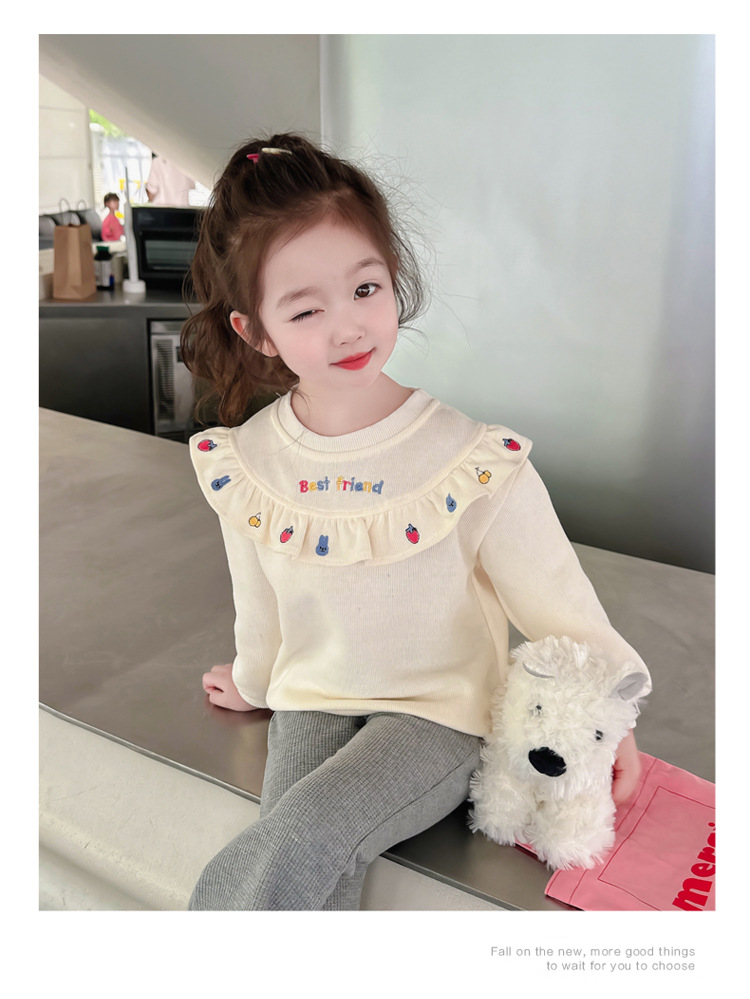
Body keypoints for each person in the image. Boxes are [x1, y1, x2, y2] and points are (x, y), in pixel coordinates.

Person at [180, 133, 650, 911]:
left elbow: (557, 597)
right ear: (255, 330)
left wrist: (610, 718)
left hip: (437, 713)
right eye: (306, 309)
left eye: (365, 289)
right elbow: (258, 604)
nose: (348, 326)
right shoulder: (248, 460)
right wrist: (254, 680)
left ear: (392, 279)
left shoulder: (469, 457)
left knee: (302, 836)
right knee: (301, 857)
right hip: (311, 698)